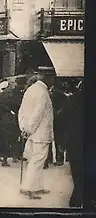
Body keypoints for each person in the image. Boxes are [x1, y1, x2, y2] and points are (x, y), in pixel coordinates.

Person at [18, 66, 56, 200]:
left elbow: (22, 110)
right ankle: (29, 188)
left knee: (34, 159)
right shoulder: (43, 93)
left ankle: (37, 186)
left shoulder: (31, 89)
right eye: (52, 78)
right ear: (47, 77)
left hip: (31, 132)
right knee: (37, 161)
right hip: (40, 132)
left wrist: (24, 127)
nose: (53, 81)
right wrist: (29, 129)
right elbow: (37, 114)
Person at [65, 79, 83, 207]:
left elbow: (63, 121)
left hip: (75, 143)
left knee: (77, 172)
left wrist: (62, 142)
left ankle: (76, 201)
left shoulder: (72, 100)